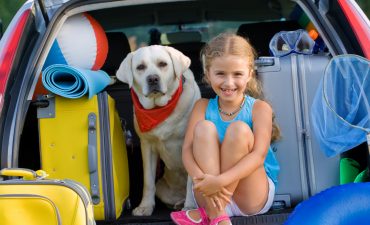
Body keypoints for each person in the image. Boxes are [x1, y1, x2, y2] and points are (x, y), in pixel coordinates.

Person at [170, 32, 280, 225]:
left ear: (249, 74)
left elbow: (258, 156)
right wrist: (201, 179)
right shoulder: (201, 107)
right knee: (203, 128)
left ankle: (213, 215)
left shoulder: (260, 108)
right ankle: (219, 216)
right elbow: (187, 150)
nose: (229, 83)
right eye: (220, 74)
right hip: (208, 193)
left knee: (239, 130)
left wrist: (219, 183)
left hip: (250, 196)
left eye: (237, 74)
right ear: (207, 74)